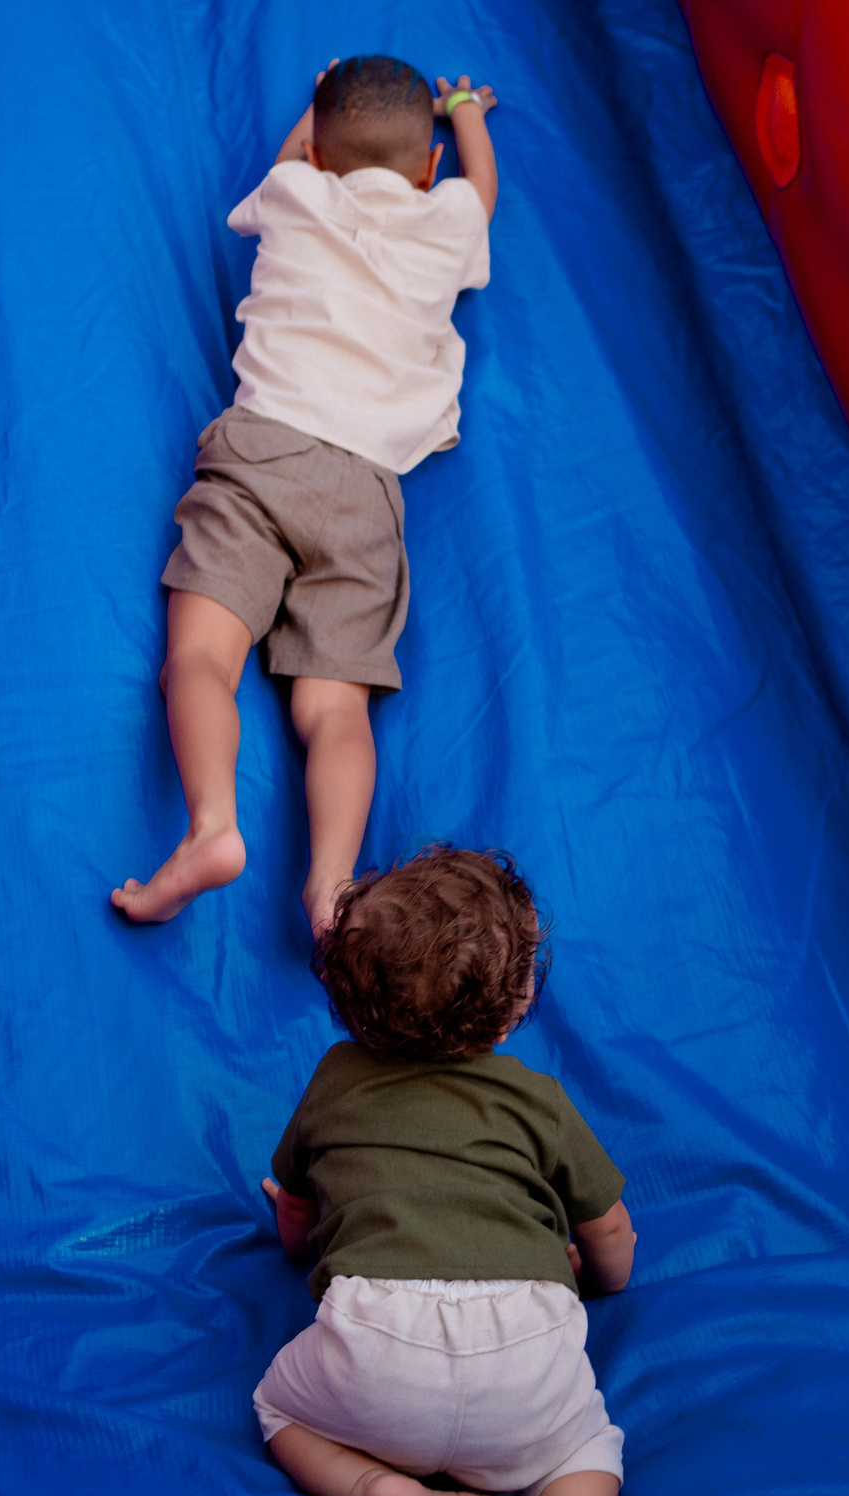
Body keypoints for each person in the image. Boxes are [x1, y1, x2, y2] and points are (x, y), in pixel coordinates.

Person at [112, 57, 500, 935]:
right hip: (363, 489)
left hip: (263, 451)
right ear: (428, 168)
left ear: (318, 154)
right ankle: (331, 886)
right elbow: (482, 187)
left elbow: (294, 156)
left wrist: (314, 105)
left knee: (200, 660)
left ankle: (213, 824)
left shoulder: (295, 192)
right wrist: (465, 110)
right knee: (334, 708)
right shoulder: (448, 217)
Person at [252, 847, 652, 1496]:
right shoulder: (537, 1100)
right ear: (514, 1007)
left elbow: (295, 1212)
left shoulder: (335, 1079)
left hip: (377, 1354)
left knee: (277, 1408)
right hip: (526, 1352)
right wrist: (605, 1280)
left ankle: (378, 1488)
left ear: (350, 998)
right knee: (583, 1446)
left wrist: (300, 1243)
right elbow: (610, 1232)